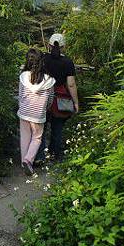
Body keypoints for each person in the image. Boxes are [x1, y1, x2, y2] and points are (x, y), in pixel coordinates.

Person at [36, 33, 79, 163]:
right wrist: (76, 102)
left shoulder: (42, 59)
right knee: (58, 127)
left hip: (42, 96)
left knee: (41, 128)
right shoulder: (67, 62)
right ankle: (56, 155)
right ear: (64, 47)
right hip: (60, 98)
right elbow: (71, 84)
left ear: (49, 45)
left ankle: (40, 157)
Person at [17, 48, 55, 175]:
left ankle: (24, 162)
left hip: (24, 111)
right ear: (42, 62)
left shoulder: (23, 76)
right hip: (38, 114)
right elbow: (50, 99)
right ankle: (28, 160)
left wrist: (21, 106)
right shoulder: (49, 80)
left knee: (25, 137)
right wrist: (46, 107)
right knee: (37, 138)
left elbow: (21, 95)